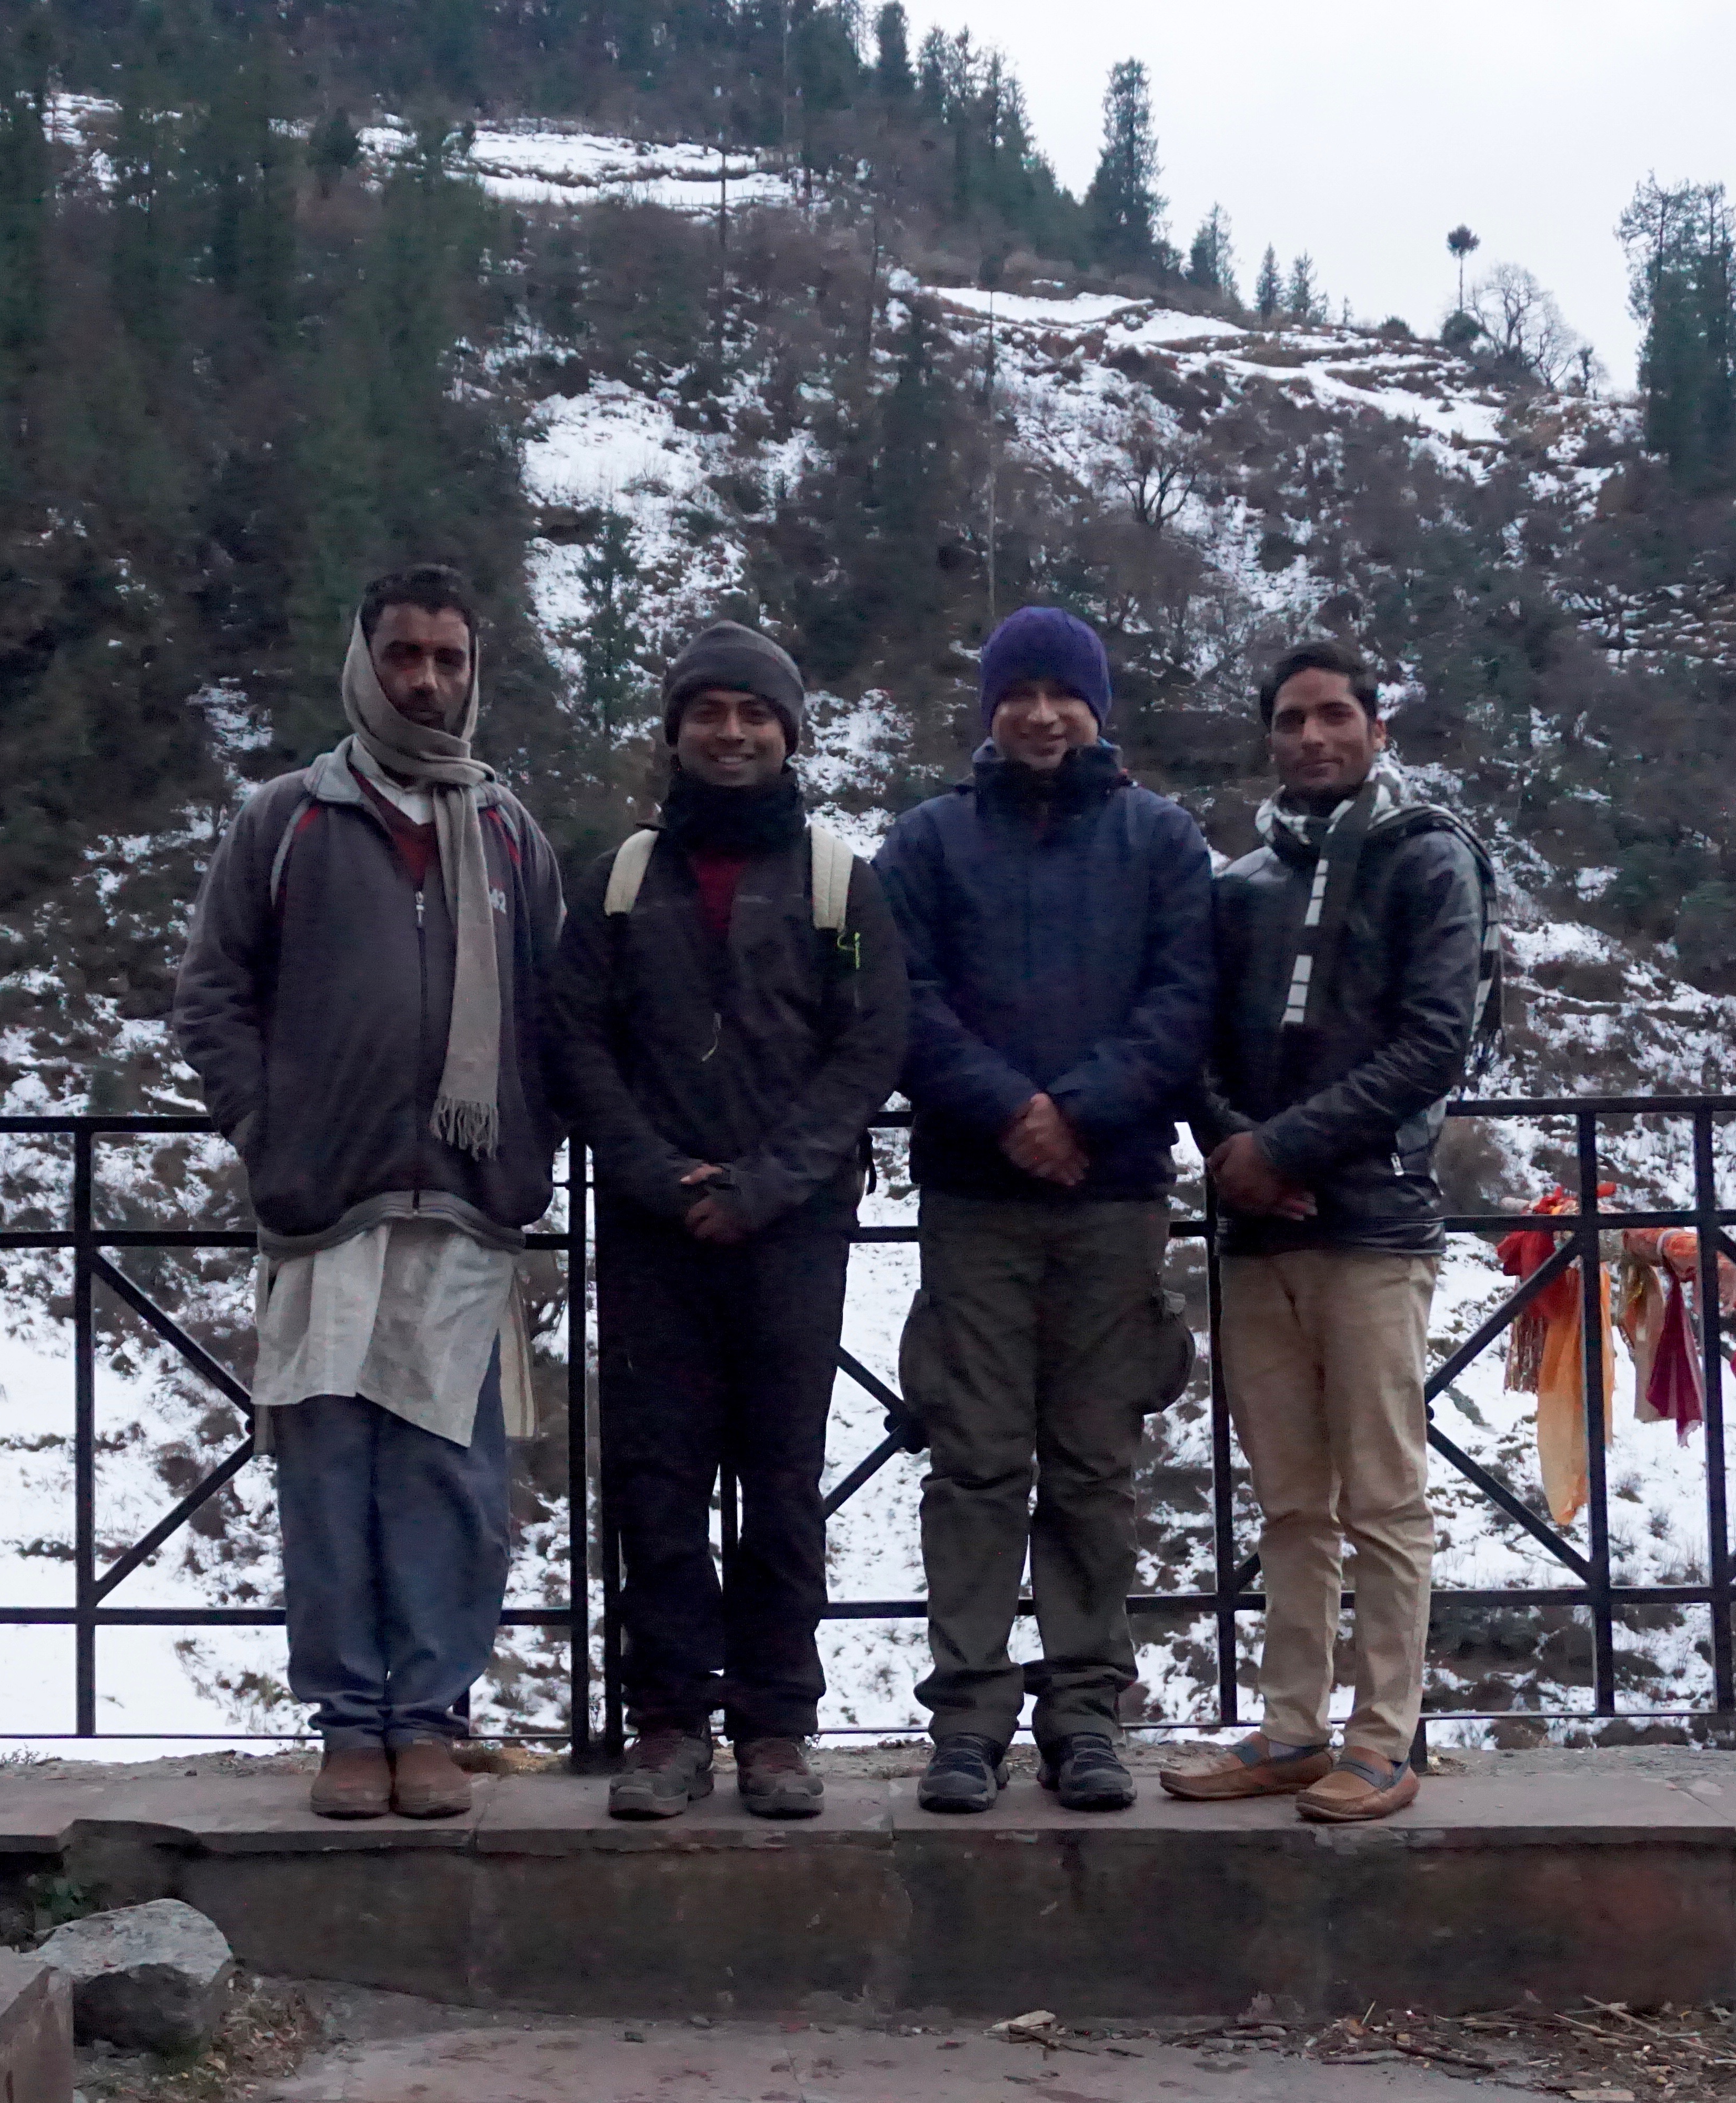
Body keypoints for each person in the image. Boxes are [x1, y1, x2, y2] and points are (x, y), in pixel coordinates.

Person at [173, 564, 563, 1822]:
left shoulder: (510, 834)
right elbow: (212, 997)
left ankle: (430, 1717)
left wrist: (523, 1146)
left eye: (449, 658)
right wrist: (273, 1132)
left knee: (450, 1475)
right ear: (365, 661)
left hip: (466, 1209)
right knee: (330, 1471)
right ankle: (350, 1721)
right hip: (327, 1208)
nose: (427, 680)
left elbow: (557, 1015)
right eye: (405, 655)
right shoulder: (288, 819)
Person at [548, 620, 909, 1821]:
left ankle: (776, 1725)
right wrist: (660, 1176)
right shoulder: (617, 881)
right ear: (676, 731)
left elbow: (870, 1043)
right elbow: (577, 1040)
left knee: (783, 1479)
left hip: (792, 1227)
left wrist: (766, 1182)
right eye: (710, 712)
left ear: (790, 734)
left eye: (756, 714)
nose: (733, 732)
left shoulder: (840, 884)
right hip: (652, 1229)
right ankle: (667, 1722)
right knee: (656, 1477)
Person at [875, 605, 1216, 1815]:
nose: (1039, 713)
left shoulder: (1161, 839)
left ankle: (1086, 1711)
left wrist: (1077, 1111)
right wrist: (1011, 1112)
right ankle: (968, 1715)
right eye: (1016, 692)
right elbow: (902, 1001)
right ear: (988, 710)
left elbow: (1185, 998)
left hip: (1114, 1196)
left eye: (1062, 692)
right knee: (971, 1461)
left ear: (1097, 707)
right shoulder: (928, 841)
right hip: (974, 1197)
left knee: (1093, 1464)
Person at [1165, 639, 1489, 1823]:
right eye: (1292, 719)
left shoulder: (1429, 858)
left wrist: (1283, 1150)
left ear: (1376, 728)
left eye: (1335, 715)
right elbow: (1194, 1041)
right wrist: (1233, 1151)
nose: (1313, 736)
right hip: (1259, 1233)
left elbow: (1434, 1042)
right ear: (1270, 738)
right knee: (1292, 1501)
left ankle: (1385, 1738)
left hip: (1373, 1227)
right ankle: (1293, 1728)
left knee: (1383, 1499)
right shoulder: (1242, 883)